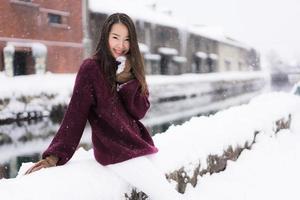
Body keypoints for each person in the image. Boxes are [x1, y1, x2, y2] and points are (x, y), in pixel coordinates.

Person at [25, 13, 183, 200]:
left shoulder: (130, 66)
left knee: (166, 189)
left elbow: (139, 111)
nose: (121, 45)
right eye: (115, 37)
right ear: (105, 37)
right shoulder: (91, 68)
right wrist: (54, 156)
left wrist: (127, 80)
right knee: (169, 196)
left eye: (127, 40)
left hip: (137, 143)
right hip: (113, 150)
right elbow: (75, 115)